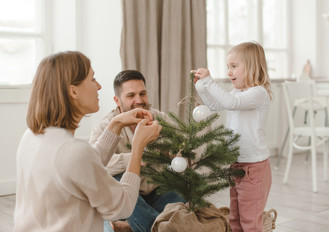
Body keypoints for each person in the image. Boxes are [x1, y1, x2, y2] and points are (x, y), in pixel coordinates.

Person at [13, 51, 162, 232]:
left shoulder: (31, 136)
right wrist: (138, 147)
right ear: (73, 91)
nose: (99, 86)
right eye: (93, 79)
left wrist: (117, 123)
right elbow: (122, 206)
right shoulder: (73, 151)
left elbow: (84, 165)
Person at [89, 70, 185, 232]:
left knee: (183, 202)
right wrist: (139, 157)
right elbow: (95, 165)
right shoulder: (105, 126)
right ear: (117, 100)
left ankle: (130, 226)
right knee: (117, 181)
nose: (139, 100)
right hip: (128, 197)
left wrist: (175, 153)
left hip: (158, 190)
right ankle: (153, 226)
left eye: (142, 93)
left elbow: (183, 152)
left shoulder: (161, 119)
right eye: (131, 95)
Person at [193, 41, 272, 232]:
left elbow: (231, 103)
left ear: (252, 67)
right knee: (235, 219)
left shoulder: (258, 93)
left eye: (234, 67)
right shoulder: (237, 92)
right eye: (228, 67)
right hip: (236, 164)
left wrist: (210, 81)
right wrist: (202, 87)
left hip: (253, 167)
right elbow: (216, 104)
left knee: (250, 221)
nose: (229, 72)